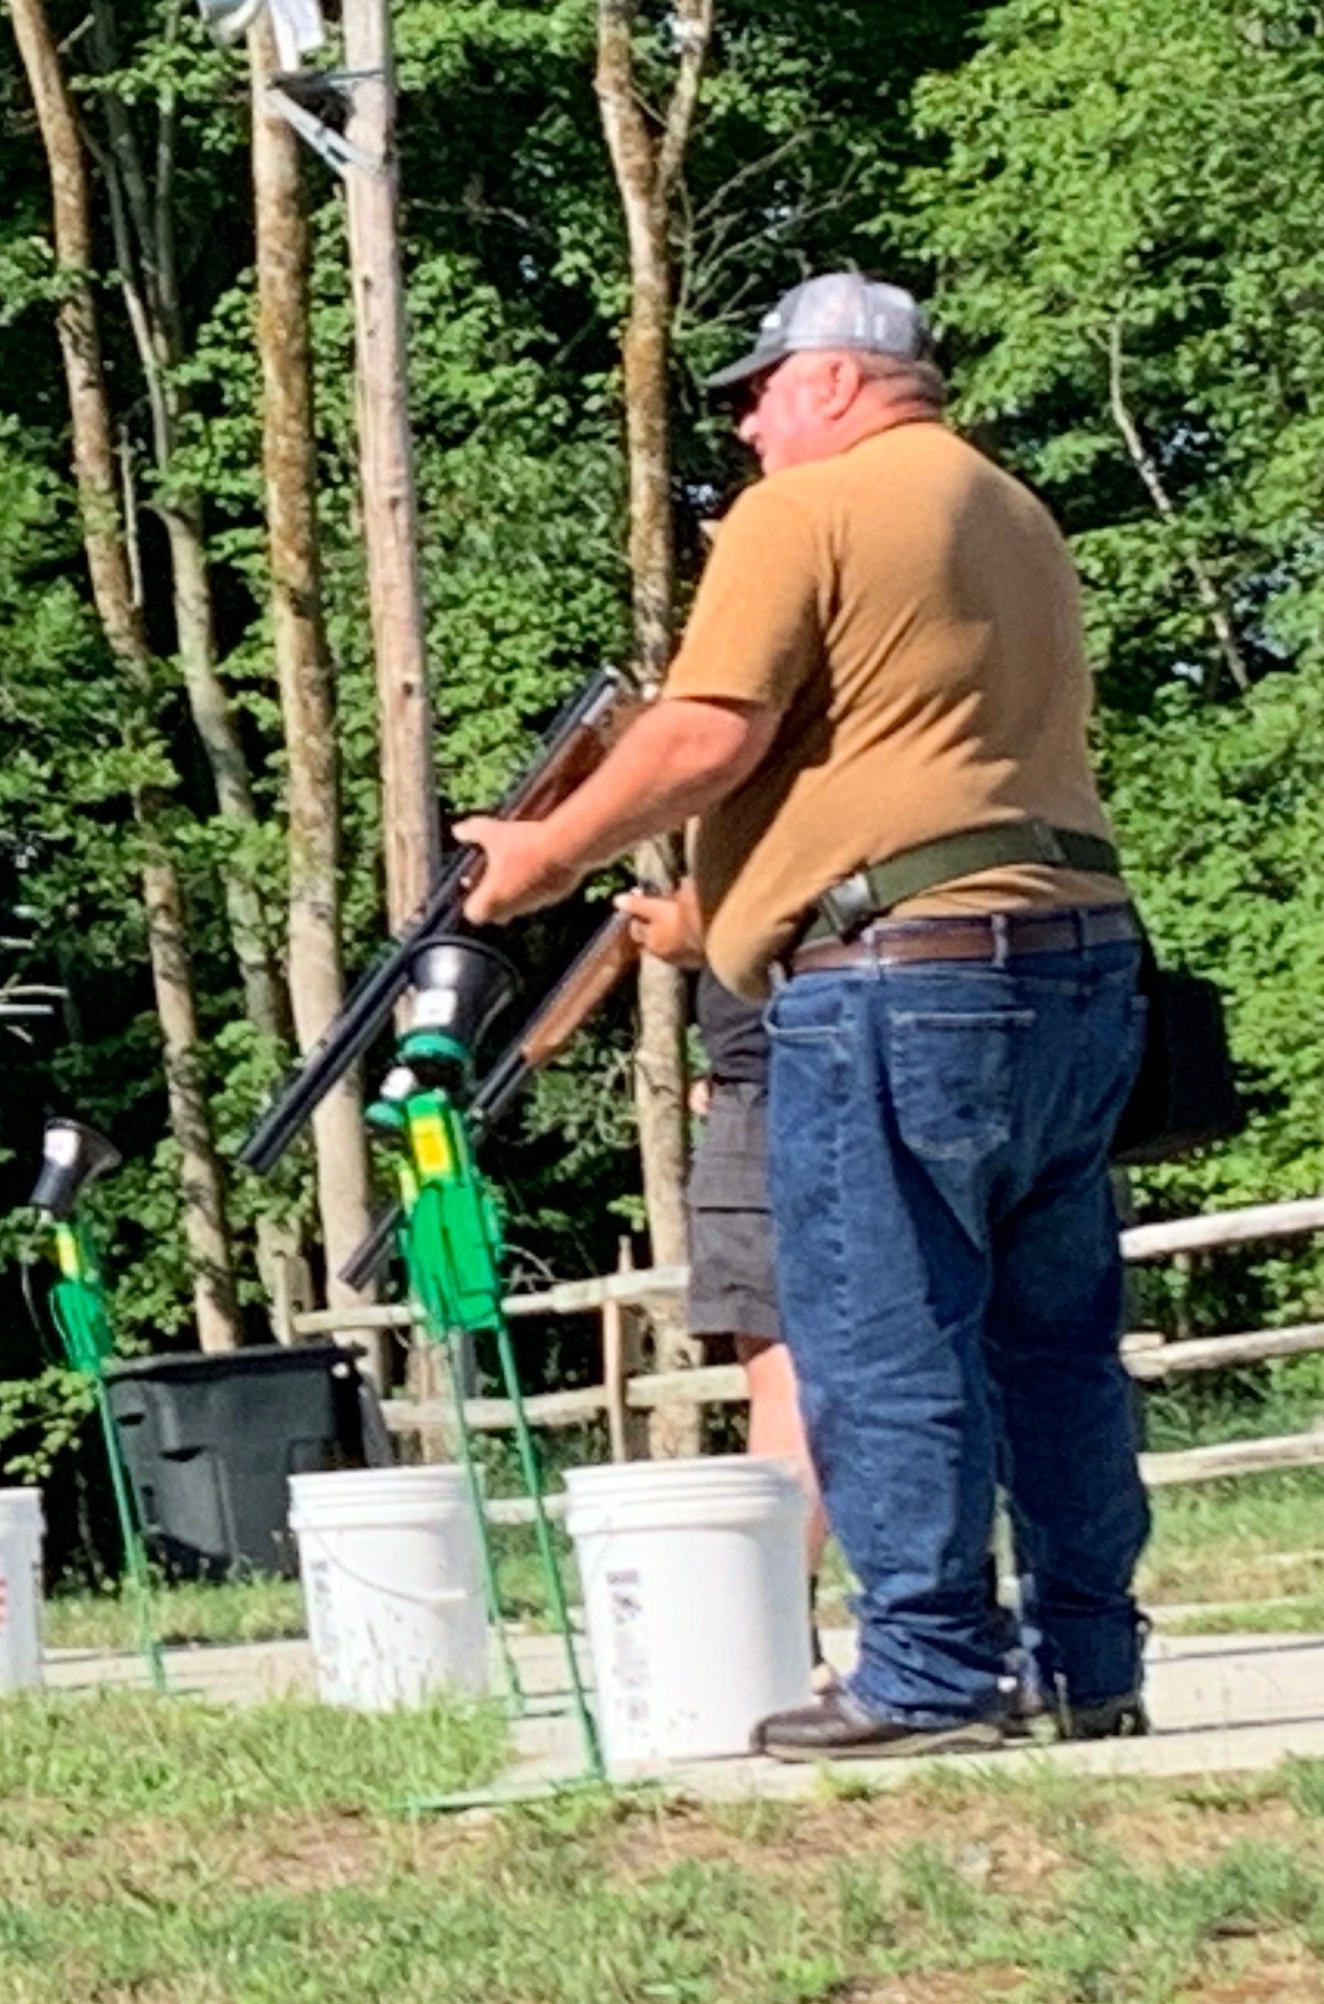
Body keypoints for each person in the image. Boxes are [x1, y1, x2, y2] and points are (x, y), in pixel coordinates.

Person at [456, 272, 1149, 1761]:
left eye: (761, 393)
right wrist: (731, 901)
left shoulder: (804, 511)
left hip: (899, 984)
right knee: (1058, 1342)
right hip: (1074, 957)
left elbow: (712, 730)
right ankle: (1089, 1660)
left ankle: (929, 1674)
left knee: (878, 1331)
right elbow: (912, 763)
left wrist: (548, 851)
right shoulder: (1013, 516)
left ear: (836, 382)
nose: (750, 429)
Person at [687, 975, 827, 1573]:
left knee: (785, 1382)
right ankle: (963, 1620)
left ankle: (784, 1623)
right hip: (905, 1067)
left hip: (763, 1097)